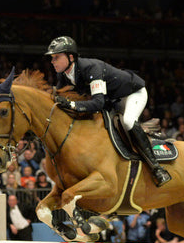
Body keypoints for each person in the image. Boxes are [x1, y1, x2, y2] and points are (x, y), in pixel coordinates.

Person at [44, 36, 171, 187]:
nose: (53, 61)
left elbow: (98, 103)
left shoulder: (91, 68)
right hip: (112, 100)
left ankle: (156, 168)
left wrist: (72, 105)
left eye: (56, 57)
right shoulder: (63, 75)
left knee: (128, 121)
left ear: (70, 57)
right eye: (52, 58)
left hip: (131, 93)